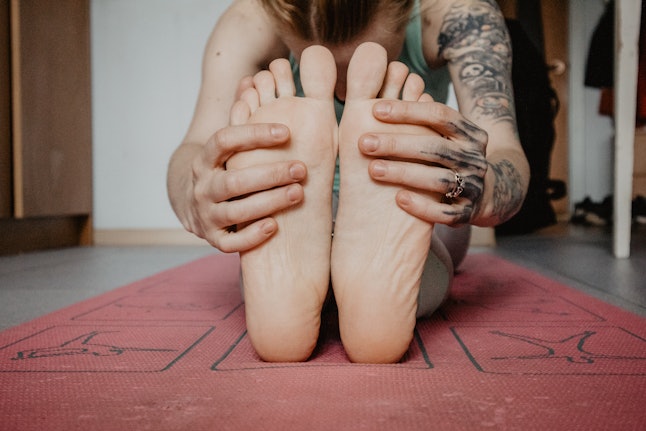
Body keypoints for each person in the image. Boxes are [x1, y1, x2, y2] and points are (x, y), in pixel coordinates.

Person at [166, 0, 529, 364]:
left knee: (430, 215)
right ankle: (368, 290)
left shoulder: (455, 11)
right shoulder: (251, 19)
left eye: (362, 70)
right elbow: (195, 149)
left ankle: (310, 285)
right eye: (316, 65)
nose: (342, 91)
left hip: (418, 188)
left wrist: (475, 190)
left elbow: (505, 154)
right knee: (285, 223)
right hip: (304, 196)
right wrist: (198, 195)